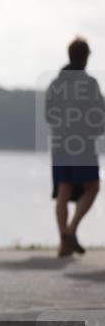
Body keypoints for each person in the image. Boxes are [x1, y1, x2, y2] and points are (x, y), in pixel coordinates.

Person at [45, 36, 103, 256]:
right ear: (85, 57)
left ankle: (63, 242)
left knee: (64, 188)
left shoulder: (56, 83)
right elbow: (100, 115)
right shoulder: (89, 84)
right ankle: (69, 231)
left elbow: (48, 114)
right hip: (82, 144)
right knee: (92, 187)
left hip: (60, 143)